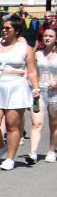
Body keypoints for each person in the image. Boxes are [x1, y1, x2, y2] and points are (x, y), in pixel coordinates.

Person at [0, 14, 40, 171]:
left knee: (12, 125)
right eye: (3, 28)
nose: (4, 30)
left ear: (16, 31)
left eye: (8, 28)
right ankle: (1, 147)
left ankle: (10, 158)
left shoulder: (26, 49)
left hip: (16, 86)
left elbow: (32, 71)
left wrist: (35, 88)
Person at [36, 24, 57, 161]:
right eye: (45, 36)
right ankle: (33, 151)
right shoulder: (37, 54)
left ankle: (52, 151)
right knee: (37, 123)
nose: (47, 38)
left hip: (55, 93)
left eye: (51, 36)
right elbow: (32, 72)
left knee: (54, 124)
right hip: (40, 91)